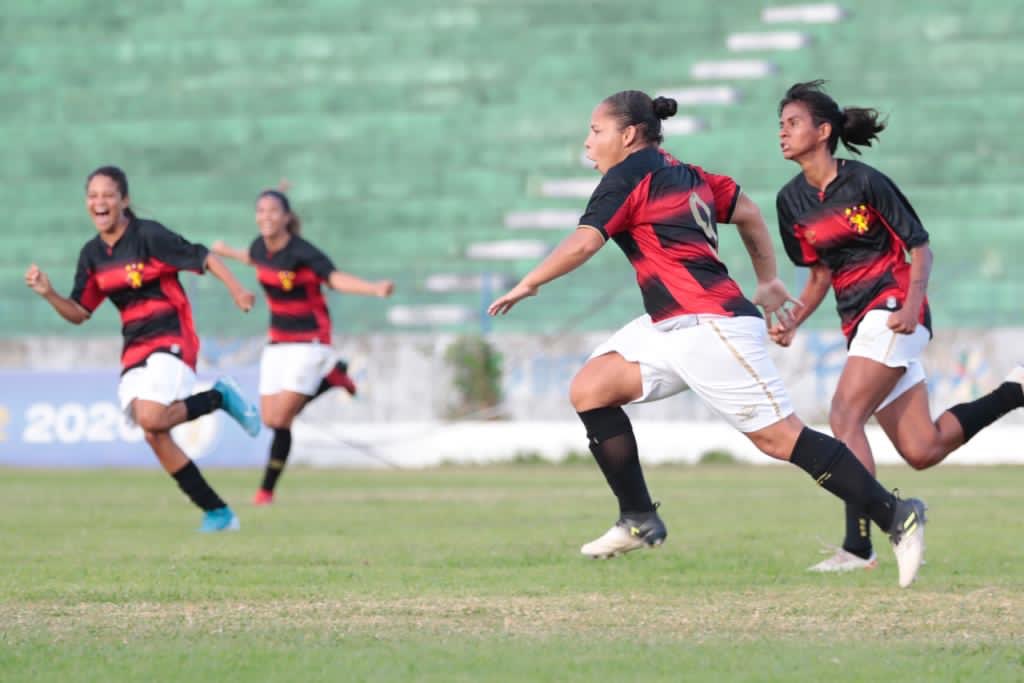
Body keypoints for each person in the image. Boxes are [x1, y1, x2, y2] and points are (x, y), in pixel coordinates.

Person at [488, 89, 929, 587]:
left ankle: (897, 514)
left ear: (628, 135)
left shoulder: (628, 175)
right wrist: (765, 280)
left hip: (710, 323)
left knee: (780, 438)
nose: (589, 143)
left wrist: (530, 282)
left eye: (596, 131)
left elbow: (586, 241)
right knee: (591, 389)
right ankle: (638, 518)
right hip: (671, 325)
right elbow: (748, 211)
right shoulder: (686, 172)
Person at [773, 80, 1024, 572]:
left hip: (892, 311)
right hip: (858, 322)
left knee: (844, 415)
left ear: (823, 131)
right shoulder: (790, 203)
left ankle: (862, 544)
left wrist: (912, 306)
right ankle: (1016, 390)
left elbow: (919, 247)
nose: (782, 133)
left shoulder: (866, 181)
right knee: (921, 448)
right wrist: (795, 321)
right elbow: (820, 273)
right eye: (780, 125)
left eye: (793, 123)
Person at [25, 165, 262, 532]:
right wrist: (49, 294)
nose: (99, 202)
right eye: (93, 196)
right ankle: (217, 511)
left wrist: (237, 290)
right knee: (152, 431)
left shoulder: (149, 235)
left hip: (172, 334)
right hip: (134, 346)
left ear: (124, 200)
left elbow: (204, 257)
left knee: (152, 417)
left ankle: (218, 397)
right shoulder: (92, 255)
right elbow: (80, 312)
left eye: (108, 195)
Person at [211, 189, 394, 505]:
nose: (265, 216)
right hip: (277, 342)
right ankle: (332, 379)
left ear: (286, 218)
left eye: (272, 211)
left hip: (310, 341)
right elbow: (252, 259)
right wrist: (227, 252)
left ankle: (265, 491)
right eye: (261, 211)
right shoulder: (259, 247)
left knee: (281, 419)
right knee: (270, 420)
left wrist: (373, 288)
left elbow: (334, 279)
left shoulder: (303, 253)